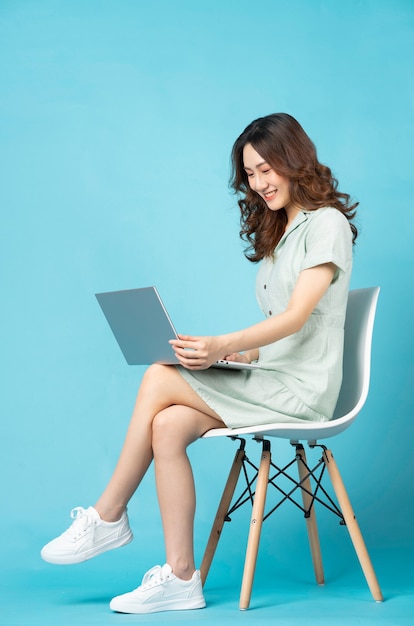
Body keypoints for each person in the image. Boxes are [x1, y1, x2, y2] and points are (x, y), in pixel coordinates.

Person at [41, 113, 358, 615]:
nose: (258, 183)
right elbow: (283, 329)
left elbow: (298, 319)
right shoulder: (281, 234)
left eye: (266, 168)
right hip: (270, 376)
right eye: (250, 174)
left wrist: (219, 345)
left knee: (160, 373)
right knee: (166, 425)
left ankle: (109, 515)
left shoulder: (327, 225)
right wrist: (238, 355)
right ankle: (181, 578)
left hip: (303, 391)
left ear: (293, 159)